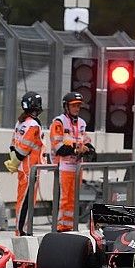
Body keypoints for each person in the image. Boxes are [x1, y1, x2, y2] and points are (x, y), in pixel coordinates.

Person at [50, 92, 95, 232]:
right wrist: (76, 150)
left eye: (78, 106)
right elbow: (58, 148)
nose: (77, 108)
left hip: (77, 167)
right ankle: (61, 226)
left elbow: (87, 143)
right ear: (66, 106)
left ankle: (69, 226)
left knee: (74, 199)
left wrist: (88, 150)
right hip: (64, 166)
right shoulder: (59, 122)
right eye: (74, 105)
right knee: (65, 198)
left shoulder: (81, 123)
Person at [4, 91, 45, 236]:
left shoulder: (21, 122)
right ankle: (22, 230)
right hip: (30, 169)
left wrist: (14, 162)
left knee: (22, 200)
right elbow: (23, 149)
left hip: (23, 168)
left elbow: (13, 145)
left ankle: (22, 229)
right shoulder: (33, 125)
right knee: (26, 202)